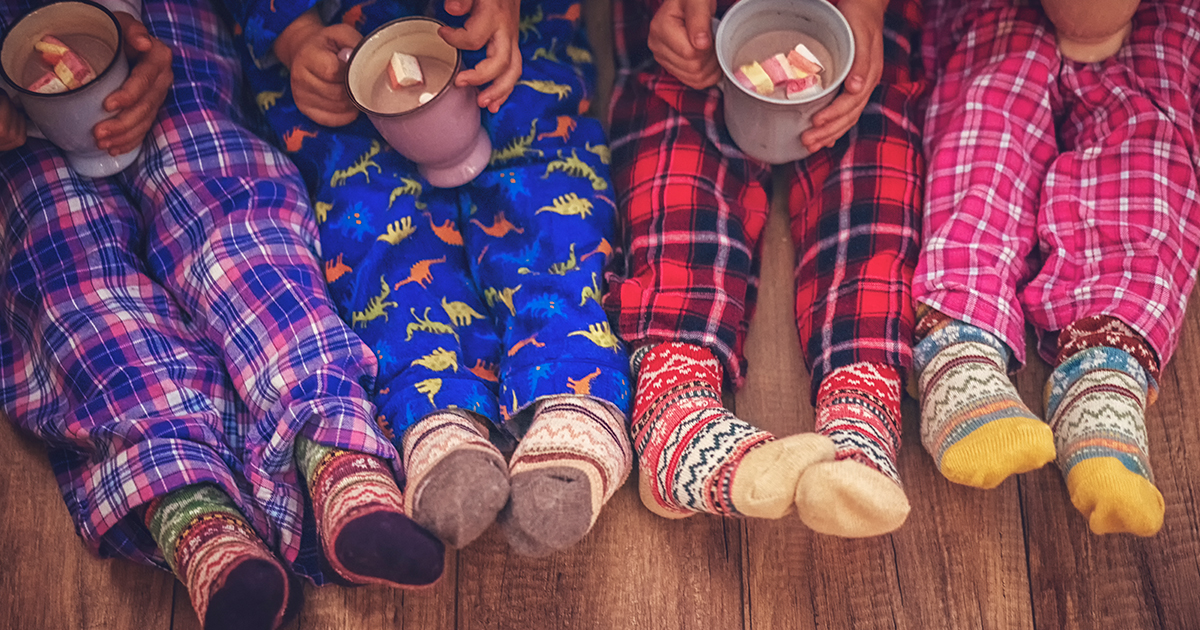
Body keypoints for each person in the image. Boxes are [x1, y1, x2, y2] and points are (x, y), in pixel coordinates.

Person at [0, 1, 445, 628]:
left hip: (168, 37)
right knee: (72, 284)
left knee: (238, 226)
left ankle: (338, 457)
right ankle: (198, 519)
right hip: (15, 129)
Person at [220, 0, 634, 557]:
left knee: (548, 190)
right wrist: (293, 35)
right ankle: (434, 410)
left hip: (505, 35)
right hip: (342, 61)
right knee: (373, 224)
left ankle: (573, 384)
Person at [605, 0, 925, 537]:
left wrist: (867, 9)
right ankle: (674, 405)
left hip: (856, 17)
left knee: (876, 173)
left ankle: (861, 411)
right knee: (675, 166)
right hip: (696, 22)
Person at [911, 0, 1198, 537]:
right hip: (997, 10)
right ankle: (958, 350)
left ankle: (1104, 379)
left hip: (1156, 24)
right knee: (987, 138)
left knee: (1145, 171)